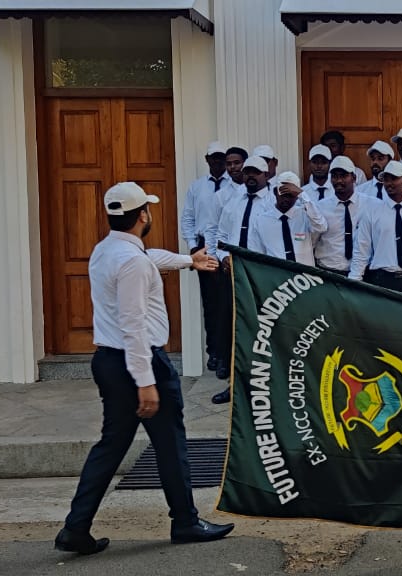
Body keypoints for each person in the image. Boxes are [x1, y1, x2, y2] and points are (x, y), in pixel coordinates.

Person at [56, 182, 232, 556]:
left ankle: (76, 527)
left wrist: (189, 260)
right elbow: (133, 325)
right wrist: (146, 382)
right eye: (148, 210)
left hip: (108, 361)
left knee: (110, 446)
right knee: (170, 444)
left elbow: (150, 257)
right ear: (142, 216)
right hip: (139, 361)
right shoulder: (133, 263)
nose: (150, 214)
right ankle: (184, 521)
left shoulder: (107, 251)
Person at [210, 156, 274, 395]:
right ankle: (235, 386)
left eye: (255, 172)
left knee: (261, 330)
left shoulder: (272, 204)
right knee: (235, 329)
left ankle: (262, 384)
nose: (249, 176)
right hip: (234, 274)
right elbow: (221, 235)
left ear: (266, 175)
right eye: (247, 172)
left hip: (260, 276)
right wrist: (222, 256)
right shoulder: (233, 203)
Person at [349, 162, 402, 297]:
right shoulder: (371, 212)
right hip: (382, 279)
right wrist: (354, 282)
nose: (389, 183)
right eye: (386, 179)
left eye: (394, 179)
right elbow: (361, 250)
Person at [180, 141, 230, 373]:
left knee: (227, 304)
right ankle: (214, 352)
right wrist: (193, 247)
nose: (218, 161)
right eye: (214, 157)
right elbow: (188, 218)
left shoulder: (234, 186)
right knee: (211, 303)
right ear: (207, 159)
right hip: (203, 247)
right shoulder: (197, 187)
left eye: (222, 157)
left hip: (227, 247)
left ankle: (225, 355)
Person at [315, 156, 377, 276]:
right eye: (335, 176)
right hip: (328, 270)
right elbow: (312, 239)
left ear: (353, 178)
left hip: (363, 272)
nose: (338, 181)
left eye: (343, 176)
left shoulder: (371, 204)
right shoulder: (321, 207)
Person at [249, 174, 327, 264]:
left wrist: (302, 195)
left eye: (291, 195)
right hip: (276, 274)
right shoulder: (261, 221)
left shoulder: (305, 215)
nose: (286, 199)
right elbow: (256, 252)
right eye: (283, 193)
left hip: (304, 275)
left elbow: (321, 227)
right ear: (275, 192)